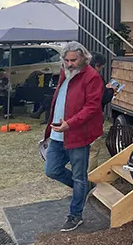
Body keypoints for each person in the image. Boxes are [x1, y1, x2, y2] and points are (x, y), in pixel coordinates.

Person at [43, 42, 103, 232]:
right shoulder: (65, 74)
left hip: (77, 134)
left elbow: (92, 107)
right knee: (52, 170)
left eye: (73, 60)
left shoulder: (92, 77)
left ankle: (75, 214)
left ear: (84, 58)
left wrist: (71, 123)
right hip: (57, 133)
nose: (69, 64)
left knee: (78, 176)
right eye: (66, 60)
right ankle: (84, 188)